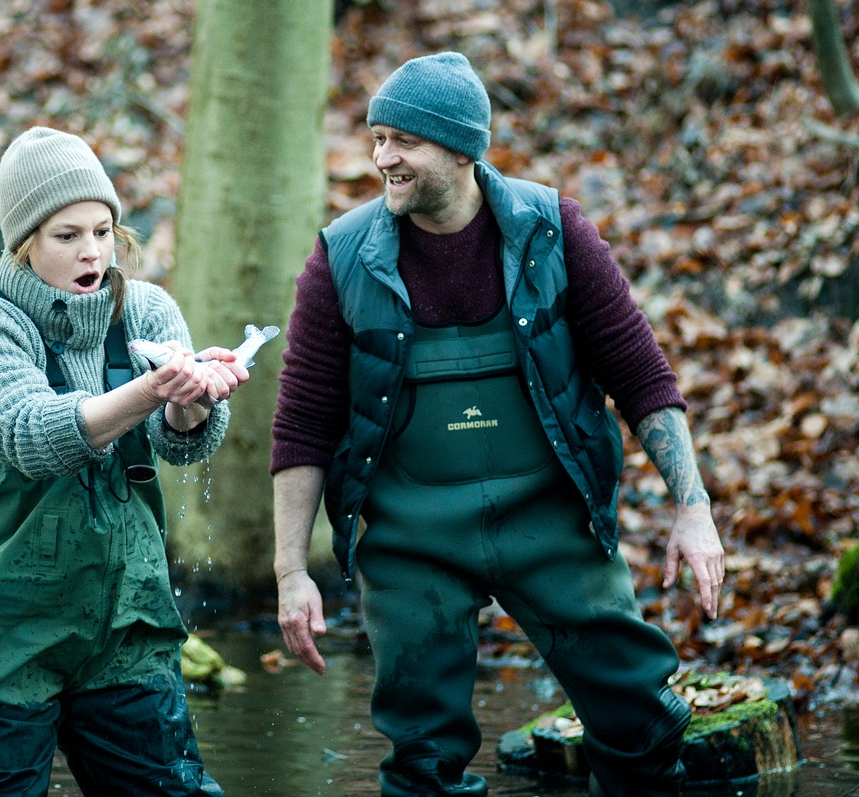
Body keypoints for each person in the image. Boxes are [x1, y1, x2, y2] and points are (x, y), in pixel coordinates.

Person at [270, 52, 725, 797]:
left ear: (461, 148)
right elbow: (303, 423)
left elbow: (641, 375)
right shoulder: (342, 258)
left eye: (401, 142)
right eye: (376, 138)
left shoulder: (553, 231)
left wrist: (693, 506)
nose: (381, 158)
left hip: (551, 519)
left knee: (640, 717)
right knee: (423, 759)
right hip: (410, 540)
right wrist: (292, 571)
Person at [0, 126, 245, 796]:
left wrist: (192, 402)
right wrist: (149, 387)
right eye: (67, 235)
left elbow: (182, 442)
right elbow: (31, 434)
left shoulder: (147, 309)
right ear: (24, 241)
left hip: (126, 631)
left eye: (102, 230)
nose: (91, 250)